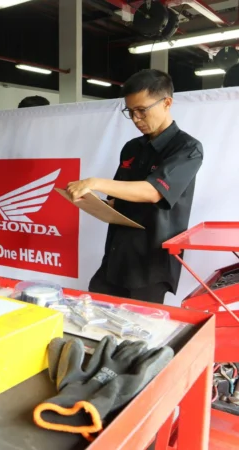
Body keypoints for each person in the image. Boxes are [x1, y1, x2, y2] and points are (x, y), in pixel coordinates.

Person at [66, 69, 203, 304]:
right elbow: (117, 200)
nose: (137, 118)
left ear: (166, 102)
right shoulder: (132, 148)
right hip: (116, 257)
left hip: (151, 262)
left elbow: (153, 192)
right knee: (95, 320)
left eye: (142, 110)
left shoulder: (187, 148)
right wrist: (91, 201)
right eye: (130, 112)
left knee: (139, 333)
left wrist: (94, 182)